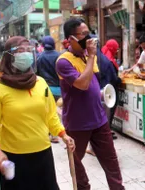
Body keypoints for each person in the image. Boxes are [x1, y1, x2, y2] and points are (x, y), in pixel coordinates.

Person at [0, 36, 75, 190]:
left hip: (42, 153)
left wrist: (63, 134)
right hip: (13, 157)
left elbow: (50, 114)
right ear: (9, 56)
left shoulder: (40, 83)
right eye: (20, 51)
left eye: (28, 50)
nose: (25, 54)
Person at [56, 18, 124, 190]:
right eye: (84, 34)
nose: (90, 37)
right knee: (76, 162)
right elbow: (82, 84)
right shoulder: (64, 61)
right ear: (71, 38)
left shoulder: (87, 56)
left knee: (111, 161)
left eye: (89, 32)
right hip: (78, 123)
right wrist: (93, 55)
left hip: (99, 119)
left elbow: (93, 84)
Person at [36, 36, 61, 144]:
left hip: (45, 88)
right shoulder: (59, 56)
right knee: (56, 112)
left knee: (46, 112)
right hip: (59, 89)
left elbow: (37, 73)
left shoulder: (40, 57)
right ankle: (55, 135)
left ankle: (48, 133)